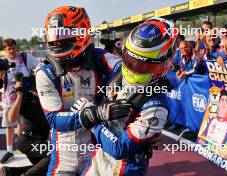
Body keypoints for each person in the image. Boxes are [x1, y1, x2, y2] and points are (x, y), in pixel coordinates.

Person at [35, 6, 131, 175]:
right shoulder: (45, 72)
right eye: (53, 37)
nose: (57, 43)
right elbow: (54, 119)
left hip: (95, 152)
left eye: (63, 37)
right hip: (63, 156)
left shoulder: (100, 58)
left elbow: (127, 71)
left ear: (82, 33)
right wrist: (95, 114)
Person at [77, 17, 178, 176]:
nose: (134, 68)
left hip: (125, 167)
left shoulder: (157, 105)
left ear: (164, 63)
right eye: (130, 60)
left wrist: (92, 118)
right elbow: (88, 53)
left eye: (144, 65)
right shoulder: (118, 69)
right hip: (99, 155)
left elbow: (120, 148)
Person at [0, 62, 50, 176]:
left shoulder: (47, 95)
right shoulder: (25, 96)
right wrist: (19, 94)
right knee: (56, 152)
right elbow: (11, 118)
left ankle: (9, 172)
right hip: (29, 140)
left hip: (41, 140)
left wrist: (37, 92)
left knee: (38, 165)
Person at [0, 38, 39, 164]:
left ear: (16, 48)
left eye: (13, 48)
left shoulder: (24, 57)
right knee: (9, 124)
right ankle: (10, 151)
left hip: (25, 96)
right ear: (5, 50)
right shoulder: (3, 62)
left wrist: (33, 80)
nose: (11, 51)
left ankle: (20, 148)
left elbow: (39, 66)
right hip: (9, 98)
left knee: (22, 123)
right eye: (9, 49)